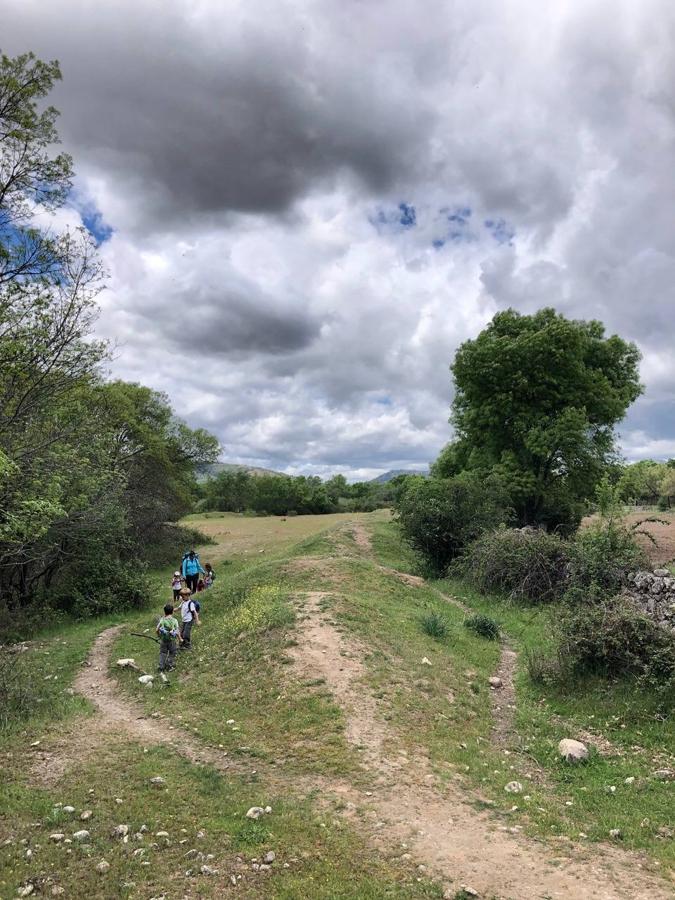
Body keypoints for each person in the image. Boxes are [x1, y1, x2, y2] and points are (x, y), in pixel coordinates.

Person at [156, 603, 181, 671]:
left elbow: (157, 629)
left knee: (163, 653)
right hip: (172, 640)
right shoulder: (174, 620)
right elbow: (177, 631)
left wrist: (159, 636)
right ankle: (169, 665)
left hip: (163, 640)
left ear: (164, 612)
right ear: (172, 611)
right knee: (172, 652)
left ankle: (161, 666)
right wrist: (180, 639)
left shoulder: (162, 620)